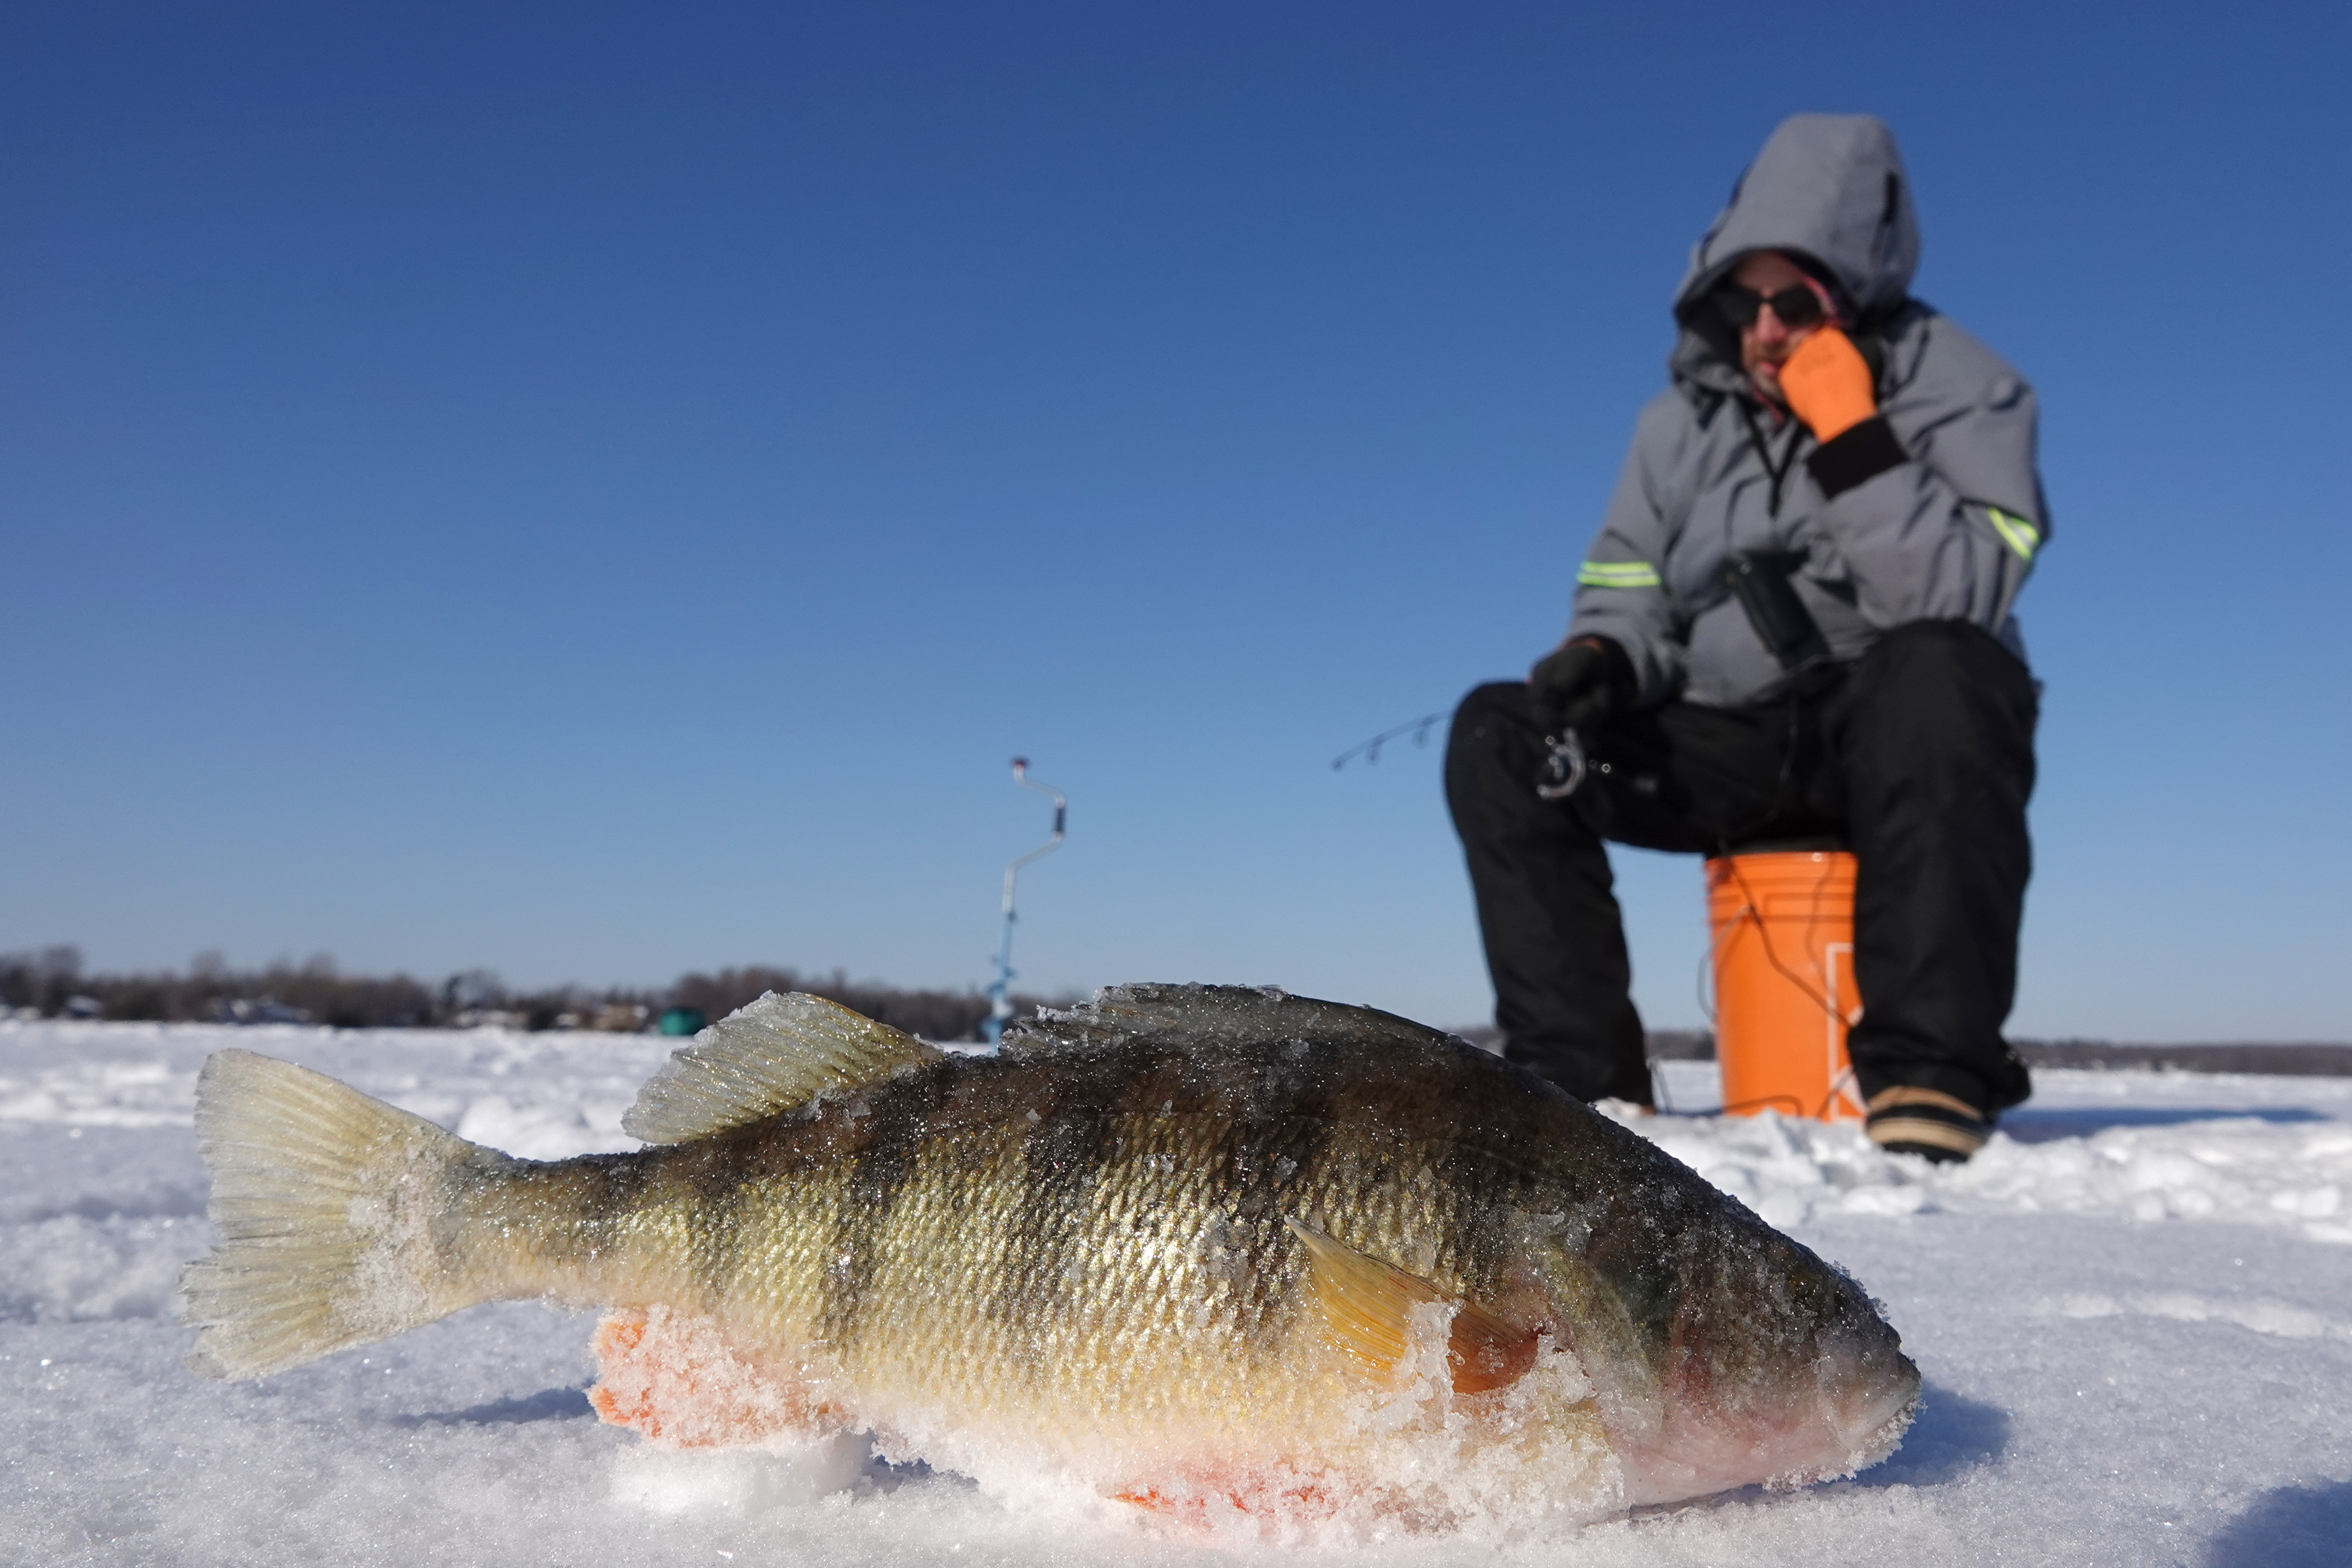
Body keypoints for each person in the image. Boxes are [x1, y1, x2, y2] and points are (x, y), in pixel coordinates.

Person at [1445, 114, 2044, 1163]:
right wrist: (1603, 657)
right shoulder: (1672, 427)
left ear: (1855, 291)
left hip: (1894, 740)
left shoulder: (1967, 387)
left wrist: (1850, 431)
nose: (1764, 329)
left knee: (1945, 668)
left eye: (1794, 302)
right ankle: (1583, 1088)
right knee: (1502, 732)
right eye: (1741, 301)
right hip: (1730, 744)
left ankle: (1931, 1076)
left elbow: (1955, 594)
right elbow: (1627, 580)